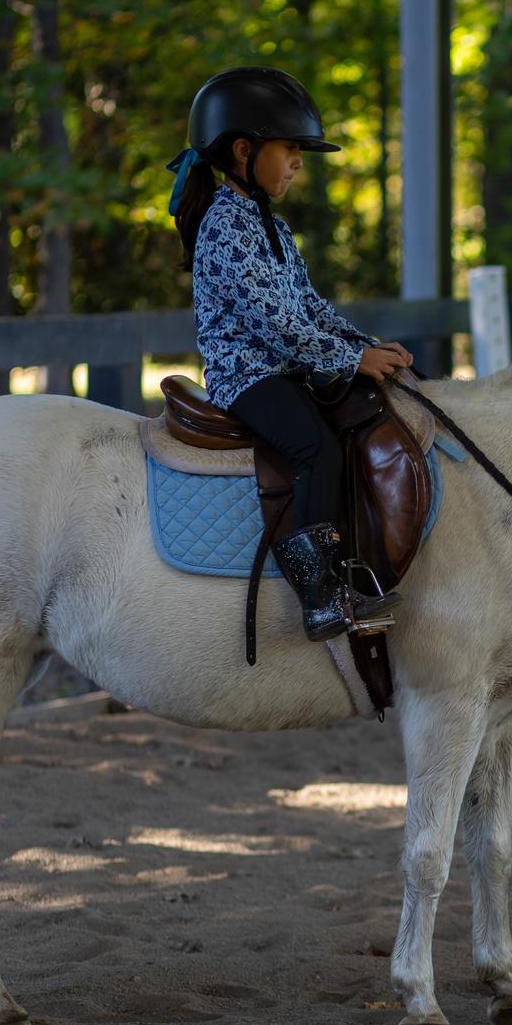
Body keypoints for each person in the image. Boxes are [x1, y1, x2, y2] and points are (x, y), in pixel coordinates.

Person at [167, 66, 414, 641]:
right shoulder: (225, 226)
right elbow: (274, 324)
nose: (300, 161)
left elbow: (310, 307)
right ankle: (320, 593)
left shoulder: (270, 226)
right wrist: (348, 360)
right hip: (247, 374)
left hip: (284, 364)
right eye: (290, 149)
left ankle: (360, 561)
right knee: (315, 449)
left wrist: (363, 345)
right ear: (243, 150)